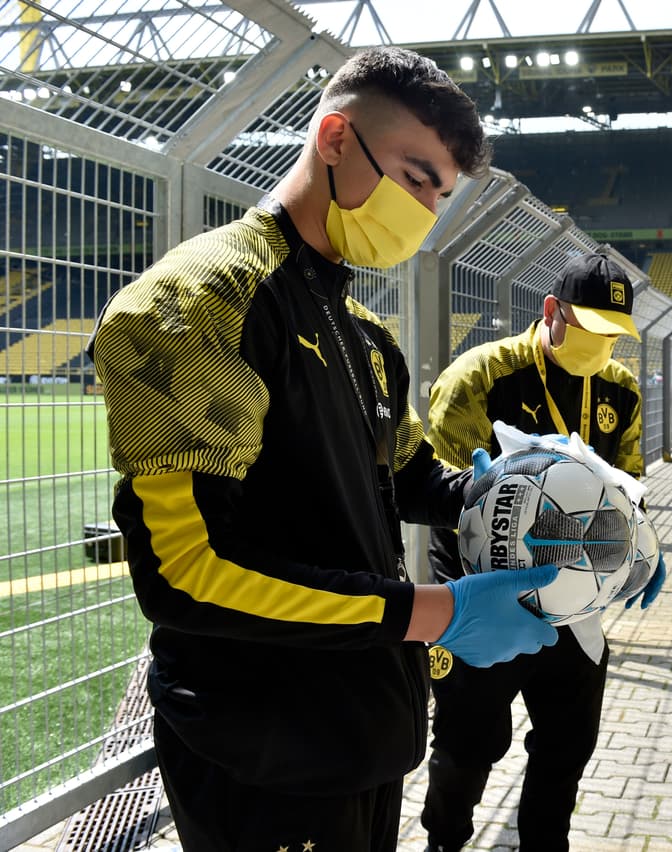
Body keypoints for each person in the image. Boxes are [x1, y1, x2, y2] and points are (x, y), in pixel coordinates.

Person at [87, 47, 561, 852]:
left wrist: (541, 498)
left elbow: (409, 477)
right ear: (335, 138)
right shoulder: (200, 300)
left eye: (441, 196)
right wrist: (431, 612)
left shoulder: (366, 334)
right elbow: (188, 576)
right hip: (261, 750)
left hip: (362, 732)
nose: (425, 211)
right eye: (415, 177)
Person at [420, 252, 667, 852]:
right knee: (467, 741)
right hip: (481, 597)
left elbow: (629, 491)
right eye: (588, 327)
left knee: (568, 743)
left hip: (574, 600)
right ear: (551, 311)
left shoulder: (621, 390)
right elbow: (442, 490)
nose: (600, 343)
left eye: (613, 333)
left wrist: (642, 551)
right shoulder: (478, 377)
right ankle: (443, 842)